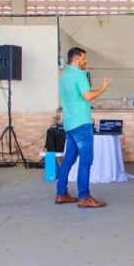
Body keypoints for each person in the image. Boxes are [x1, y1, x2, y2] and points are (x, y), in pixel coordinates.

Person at [55, 47, 111, 208]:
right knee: (86, 161)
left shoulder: (64, 76)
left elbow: (77, 96)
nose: (86, 61)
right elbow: (88, 96)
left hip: (69, 124)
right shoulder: (80, 75)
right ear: (76, 59)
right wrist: (103, 88)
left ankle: (61, 193)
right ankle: (84, 197)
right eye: (84, 58)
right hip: (81, 124)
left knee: (68, 160)